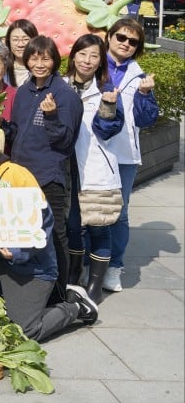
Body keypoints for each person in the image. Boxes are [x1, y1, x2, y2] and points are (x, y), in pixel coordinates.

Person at [0, 116, 99, 342]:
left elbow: (44, 221)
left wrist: (18, 250)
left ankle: (75, 307)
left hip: (29, 264)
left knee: (24, 332)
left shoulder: (15, 173)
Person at [10, 35, 83, 300]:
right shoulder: (24, 90)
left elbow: (65, 141)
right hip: (21, 174)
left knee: (54, 233)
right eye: (34, 57)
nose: (39, 63)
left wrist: (51, 116)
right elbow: (17, 131)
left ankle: (59, 293)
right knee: (26, 233)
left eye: (46, 58)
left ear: (54, 60)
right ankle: (31, 287)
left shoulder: (65, 95)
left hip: (49, 176)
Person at [63, 34, 125, 303]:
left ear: (100, 62)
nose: (87, 61)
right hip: (66, 168)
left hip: (94, 167)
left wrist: (108, 106)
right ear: (73, 55)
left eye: (94, 56)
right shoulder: (59, 85)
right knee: (73, 227)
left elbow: (108, 130)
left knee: (100, 226)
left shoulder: (106, 90)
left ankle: (95, 285)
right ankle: (73, 279)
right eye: (82, 54)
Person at [103, 18, 159, 293]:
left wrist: (146, 94)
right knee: (86, 209)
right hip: (91, 151)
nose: (125, 44)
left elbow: (145, 120)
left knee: (119, 213)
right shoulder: (91, 64)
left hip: (123, 154)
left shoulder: (140, 77)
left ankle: (114, 266)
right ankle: (92, 261)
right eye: (121, 37)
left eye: (132, 41)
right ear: (109, 37)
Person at [4, 19, 38, 87]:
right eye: (15, 39)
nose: (20, 44)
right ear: (9, 42)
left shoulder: (43, 70)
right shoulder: (2, 70)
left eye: (25, 39)